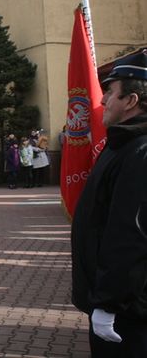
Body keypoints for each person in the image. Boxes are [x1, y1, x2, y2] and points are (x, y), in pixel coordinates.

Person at [71, 49, 147, 357]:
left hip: (126, 312)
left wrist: (109, 303)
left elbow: (130, 236)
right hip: (115, 303)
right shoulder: (123, 144)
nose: (103, 101)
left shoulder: (140, 152)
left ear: (131, 101)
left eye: (111, 93)